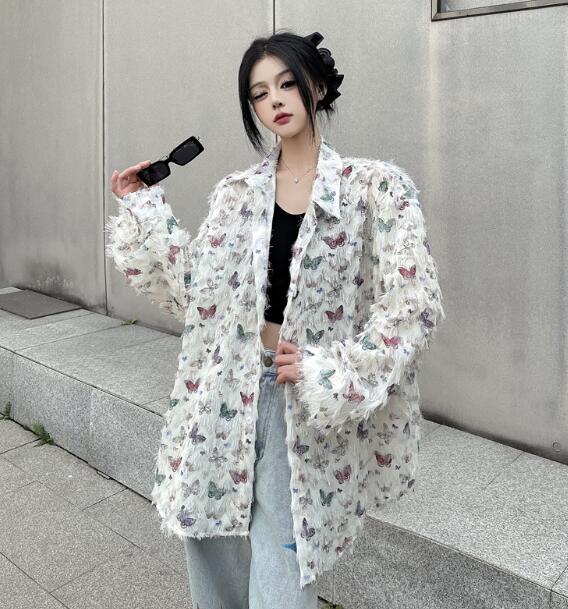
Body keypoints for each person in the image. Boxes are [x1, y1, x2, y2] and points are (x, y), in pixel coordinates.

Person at [106, 29, 446, 609]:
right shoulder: (237, 194)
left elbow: (413, 304)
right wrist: (143, 205)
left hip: (302, 403)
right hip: (226, 388)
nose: (276, 101)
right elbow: (198, 294)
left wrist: (331, 369)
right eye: (259, 94)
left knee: (283, 571)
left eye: (287, 83)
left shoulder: (375, 188)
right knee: (209, 546)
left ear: (318, 86)